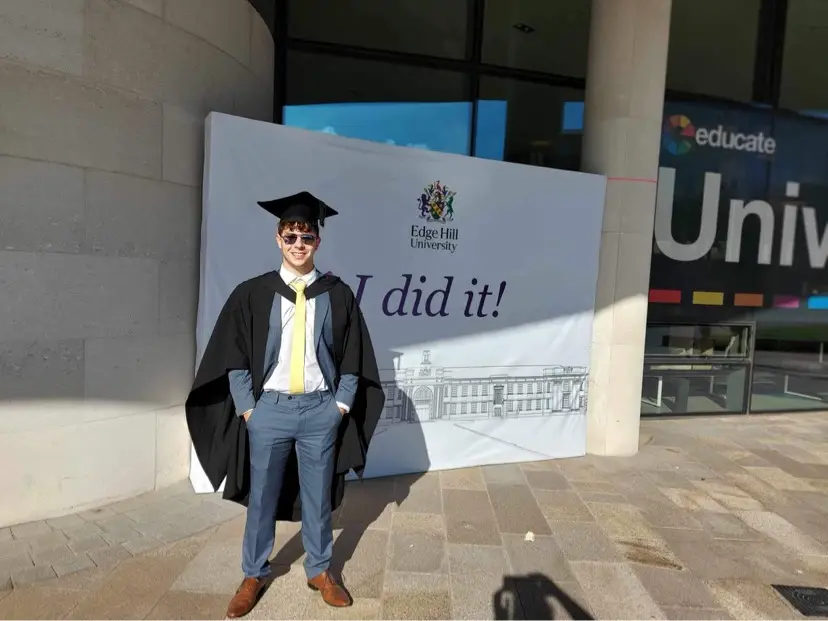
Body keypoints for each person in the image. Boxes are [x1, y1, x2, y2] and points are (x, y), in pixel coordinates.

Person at [185, 191, 385, 618]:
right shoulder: (254, 293)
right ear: (278, 239)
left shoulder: (338, 294)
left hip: (320, 411)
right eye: (291, 235)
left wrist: (342, 407)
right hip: (269, 412)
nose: (299, 243)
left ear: (318, 242)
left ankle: (320, 570)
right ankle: (253, 573)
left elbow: (354, 357)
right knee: (262, 498)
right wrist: (248, 411)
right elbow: (235, 356)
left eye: (307, 236)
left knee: (318, 498)